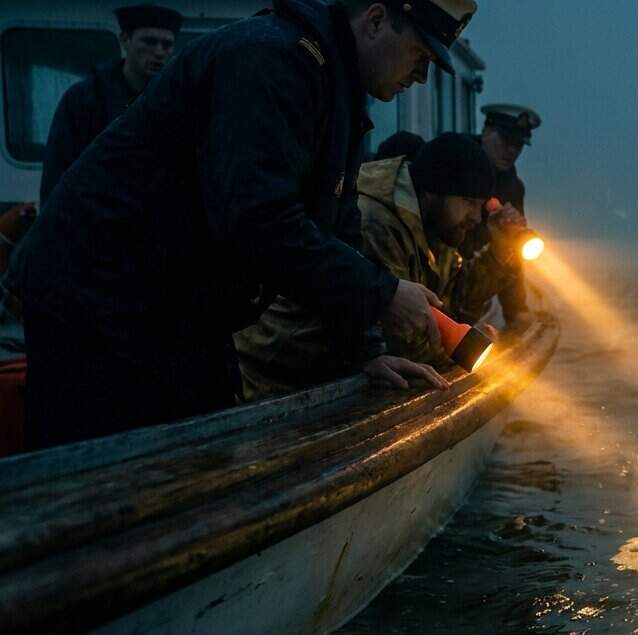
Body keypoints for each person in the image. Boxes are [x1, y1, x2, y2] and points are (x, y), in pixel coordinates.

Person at [4, 0, 477, 449]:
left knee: (199, 446)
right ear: (375, 21)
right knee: (102, 483)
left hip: (173, 308)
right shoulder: (268, 60)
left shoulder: (336, 94)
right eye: (420, 52)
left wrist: (364, 350)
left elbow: (337, 230)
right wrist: (383, 294)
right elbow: (255, 218)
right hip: (97, 303)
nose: (422, 74)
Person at [236, 132, 494, 398]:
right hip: (277, 378)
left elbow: (449, 302)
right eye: (468, 202)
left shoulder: (437, 227)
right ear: (432, 192)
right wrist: (461, 346)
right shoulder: (376, 221)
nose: (476, 217)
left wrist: (498, 259)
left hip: (325, 375)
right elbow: (401, 338)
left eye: (480, 206)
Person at [40, 4, 184, 203]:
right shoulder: (84, 100)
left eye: (167, 45)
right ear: (125, 40)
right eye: (149, 41)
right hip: (94, 218)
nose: (159, 52)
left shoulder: (175, 104)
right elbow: (58, 169)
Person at [453, 103, 542, 324]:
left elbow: (514, 252)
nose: (512, 151)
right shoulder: (454, 164)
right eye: (506, 141)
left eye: (518, 145)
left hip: (476, 287)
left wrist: (516, 312)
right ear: (486, 132)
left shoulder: (512, 188)